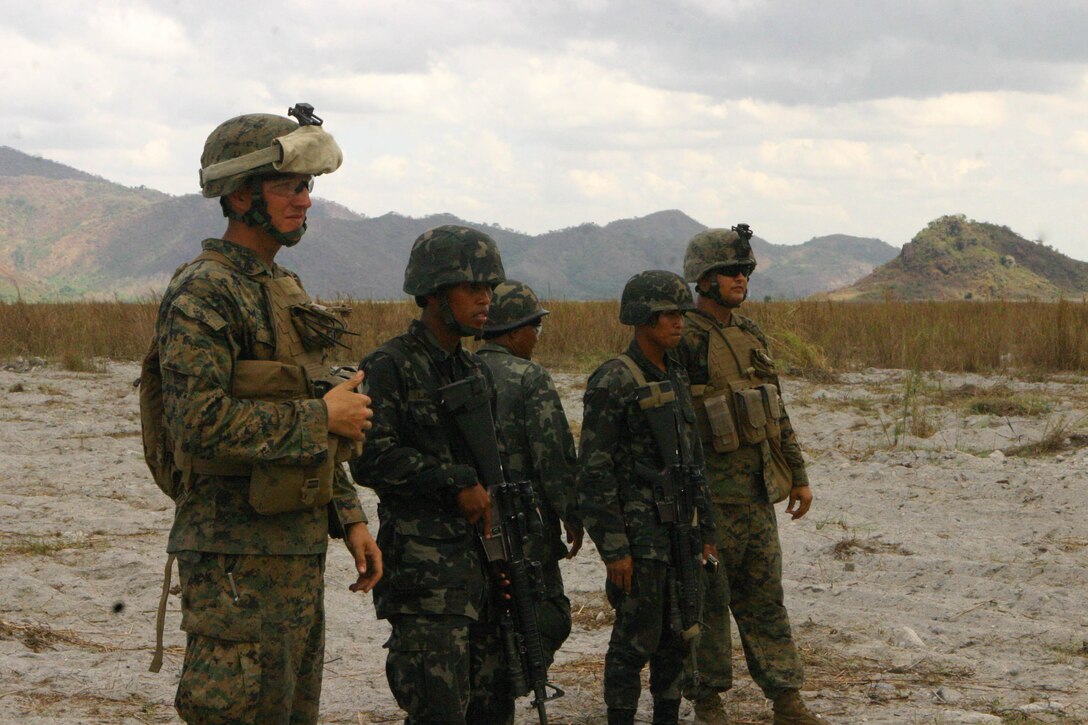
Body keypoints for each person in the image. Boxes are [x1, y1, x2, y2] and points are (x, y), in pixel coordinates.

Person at [155, 104, 382, 724]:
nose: (304, 201)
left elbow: (315, 416)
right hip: (232, 558)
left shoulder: (281, 287)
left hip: (294, 552)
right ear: (238, 195)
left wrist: (349, 516)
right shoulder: (205, 289)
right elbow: (197, 422)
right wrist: (320, 418)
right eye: (288, 186)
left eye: (307, 186)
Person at [349, 225, 515, 724]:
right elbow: (369, 458)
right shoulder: (390, 366)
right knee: (437, 711)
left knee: (493, 708)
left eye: (490, 288)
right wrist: (453, 481)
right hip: (425, 578)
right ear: (434, 293)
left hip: (484, 572)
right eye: (473, 288)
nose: (486, 299)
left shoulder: (474, 370)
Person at [677, 226, 823, 725]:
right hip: (709, 501)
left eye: (745, 271)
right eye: (730, 271)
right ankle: (708, 701)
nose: (741, 278)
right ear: (703, 278)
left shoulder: (751, 333)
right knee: (709, 607)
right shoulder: (682, 338)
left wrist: (798, 475)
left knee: (766, 601)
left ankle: (786, 698)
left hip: (758, 494)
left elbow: (776, 411)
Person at [578, 270, 718, 725]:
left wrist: (706, 532)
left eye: (681, 314)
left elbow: (694, 462)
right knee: (633, 640)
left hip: (680, 530)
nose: (678, 323)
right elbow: (595, 471)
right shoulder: (615, 379)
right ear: (641, 318)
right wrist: (615, 548)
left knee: (678, 635)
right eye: (667, 315)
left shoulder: (674, 374)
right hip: (639, 539)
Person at [476, 280, 583, 666]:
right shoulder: (529, 378)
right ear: (515, 330)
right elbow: (553, 456)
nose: (536, 338)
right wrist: (572, 513)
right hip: (525, 526)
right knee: (547, 615)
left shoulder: (459, 369)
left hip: (471, 521)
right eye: (534, 328)